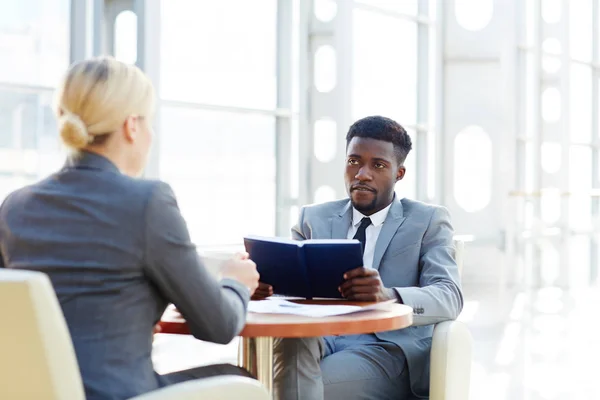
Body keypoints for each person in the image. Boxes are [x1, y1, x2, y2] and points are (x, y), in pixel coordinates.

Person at [0, 56, 259, 400]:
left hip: (34, 393)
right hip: (119, 395)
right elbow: (219, 325)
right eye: (149, 122)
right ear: (131, 126)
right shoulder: (147, 202)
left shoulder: (15, 206)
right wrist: (235, 282)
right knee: (240, 381)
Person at [254, 116, 464, 400]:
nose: (362, 174)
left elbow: (449, 296)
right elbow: (292, 290)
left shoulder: (427, 220)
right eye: (354, 161)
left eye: (378, 165)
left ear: (399, 173)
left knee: (290, 388)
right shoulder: (313, 218)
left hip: (385, 347)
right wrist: (266, 288)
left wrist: (388, 295)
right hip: (320, 336)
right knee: (292, 352)